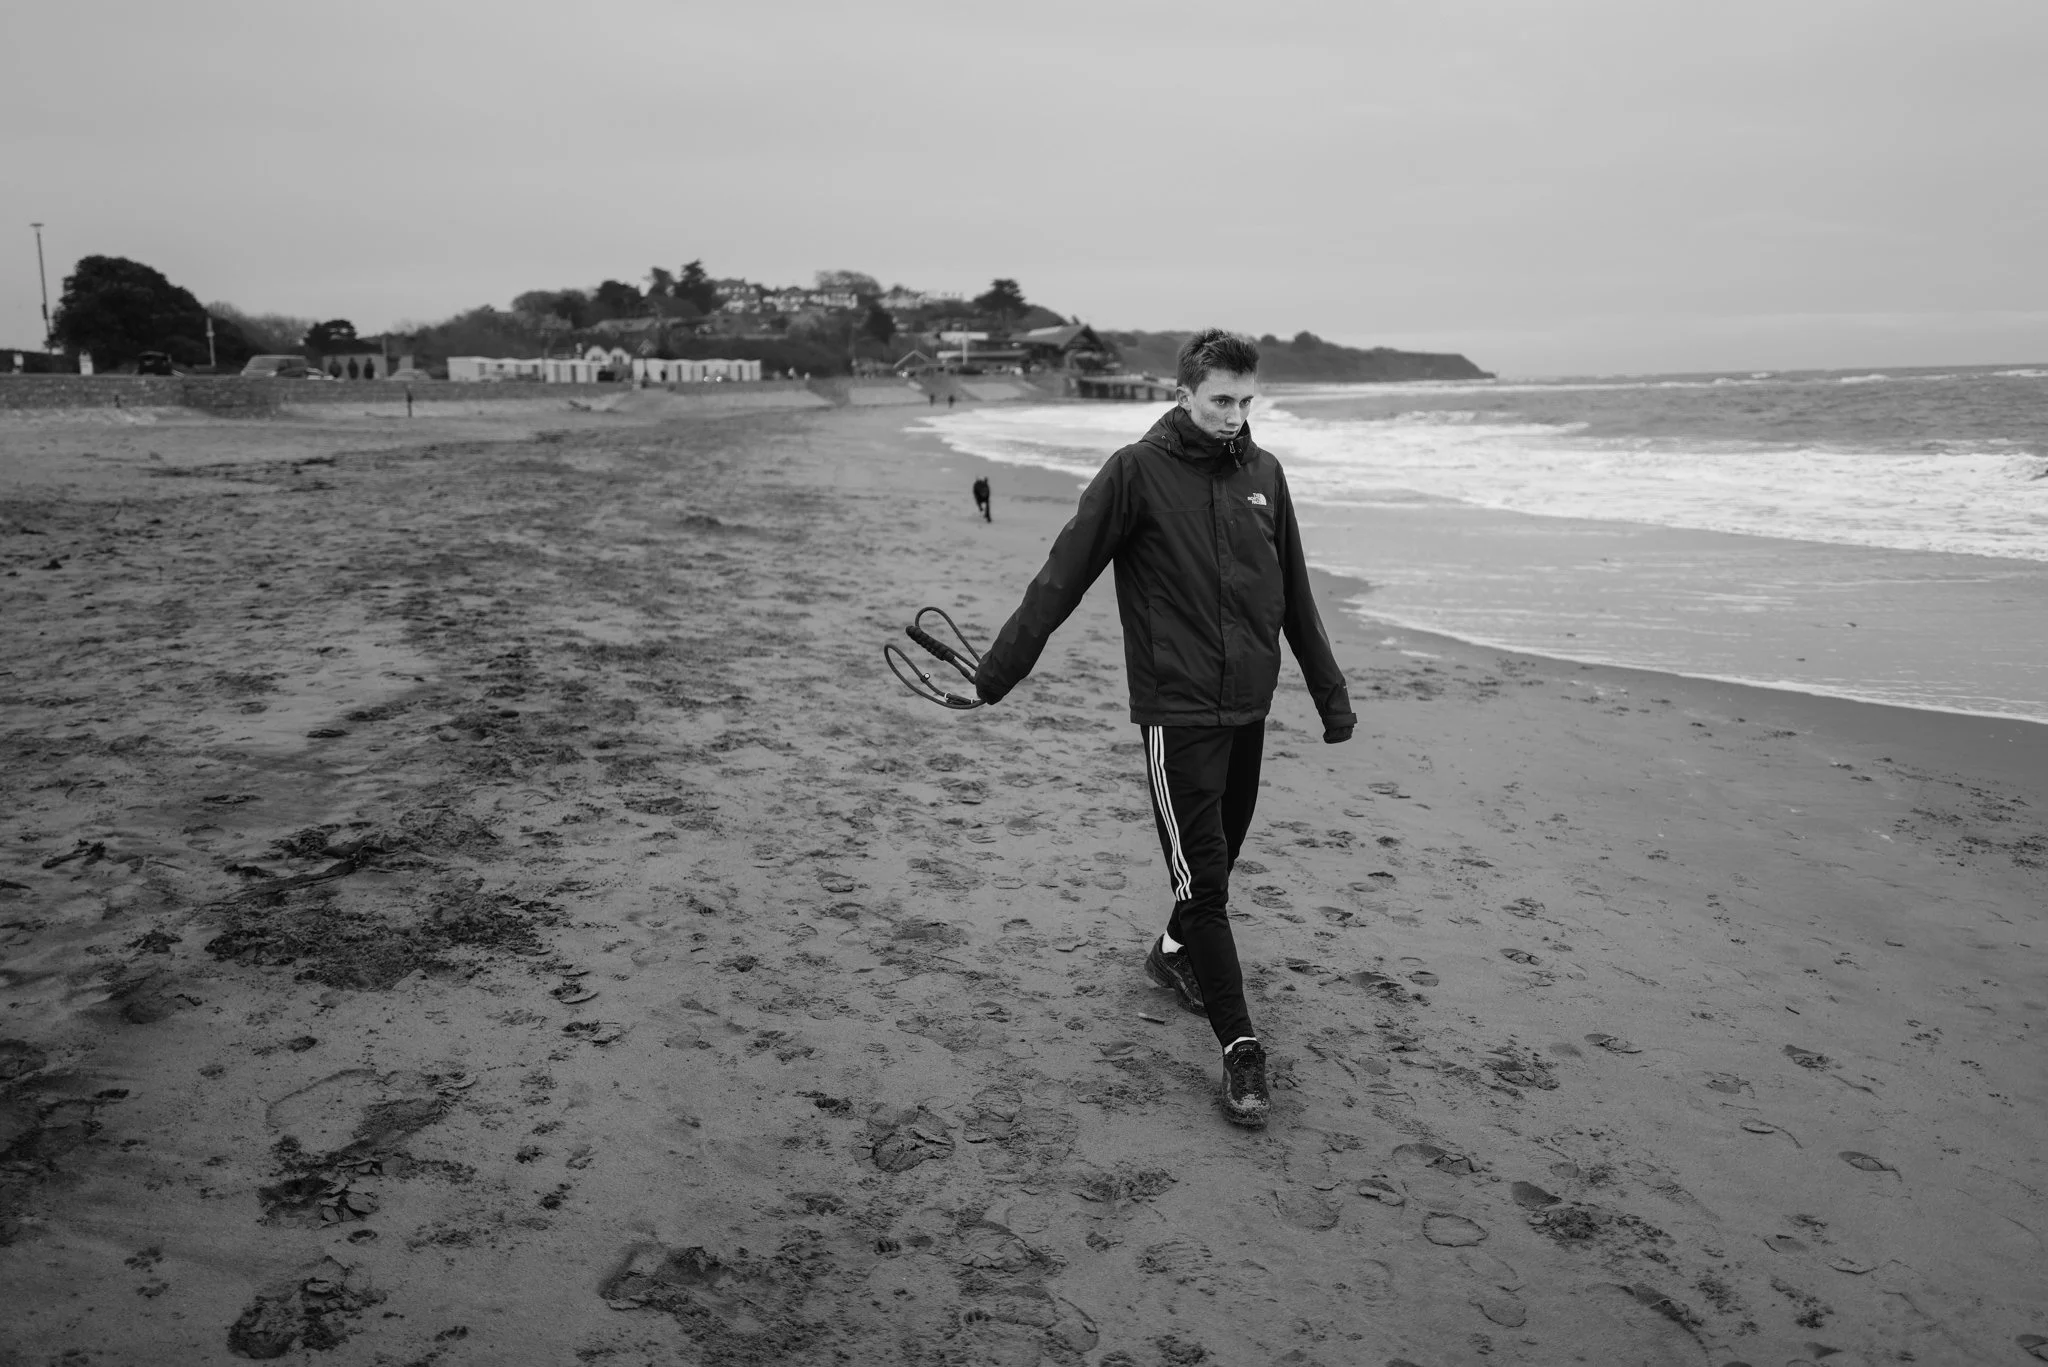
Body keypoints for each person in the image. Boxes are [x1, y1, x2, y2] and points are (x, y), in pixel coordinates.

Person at [972, 329, 1355, 1128]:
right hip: (1177, 713)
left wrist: (1330, 694)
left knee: (1218, 865)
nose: (1235, 415)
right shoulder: (1134, 473)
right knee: (1207, 884)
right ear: (1182, 394)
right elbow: (1061, 576)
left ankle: (1171, 954)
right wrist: (997, 672)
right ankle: (1240, 1045)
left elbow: (1296, 594)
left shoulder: (1265, 474)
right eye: (1221, 400)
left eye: (1248, 400)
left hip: (1249, 708)